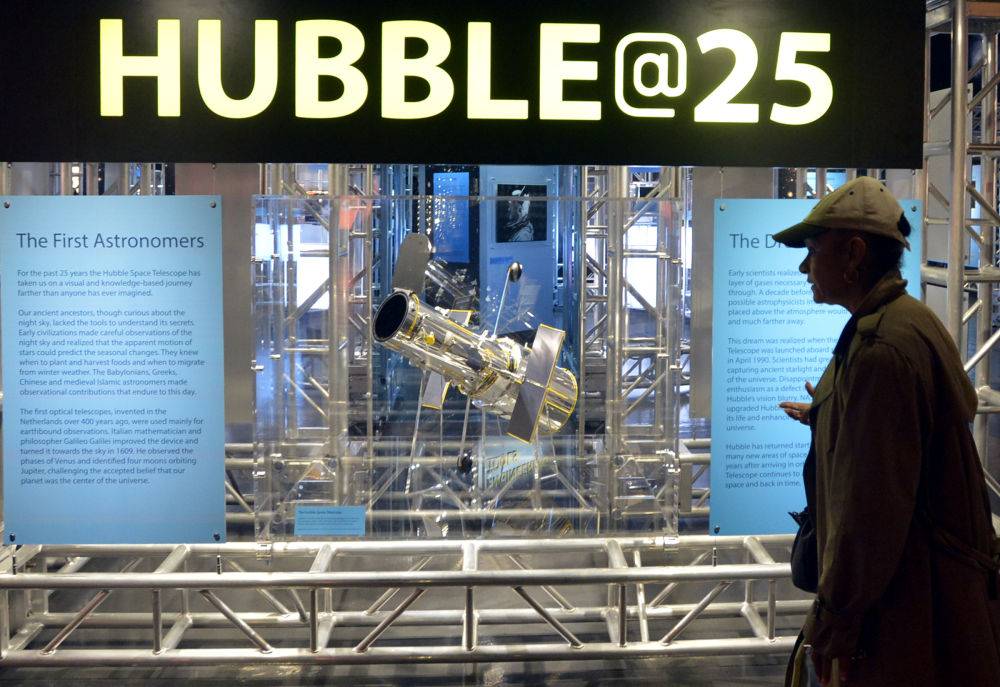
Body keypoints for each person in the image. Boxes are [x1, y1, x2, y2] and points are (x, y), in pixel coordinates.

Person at [773, 176, 1000, 686]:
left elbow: (870, 512)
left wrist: (835, 617)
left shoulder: (882, 349)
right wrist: (830, 414)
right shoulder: (906, 320)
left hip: (904, 617)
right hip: (920, 600)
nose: (806, 267)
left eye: (814, 250)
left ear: (854, 253)